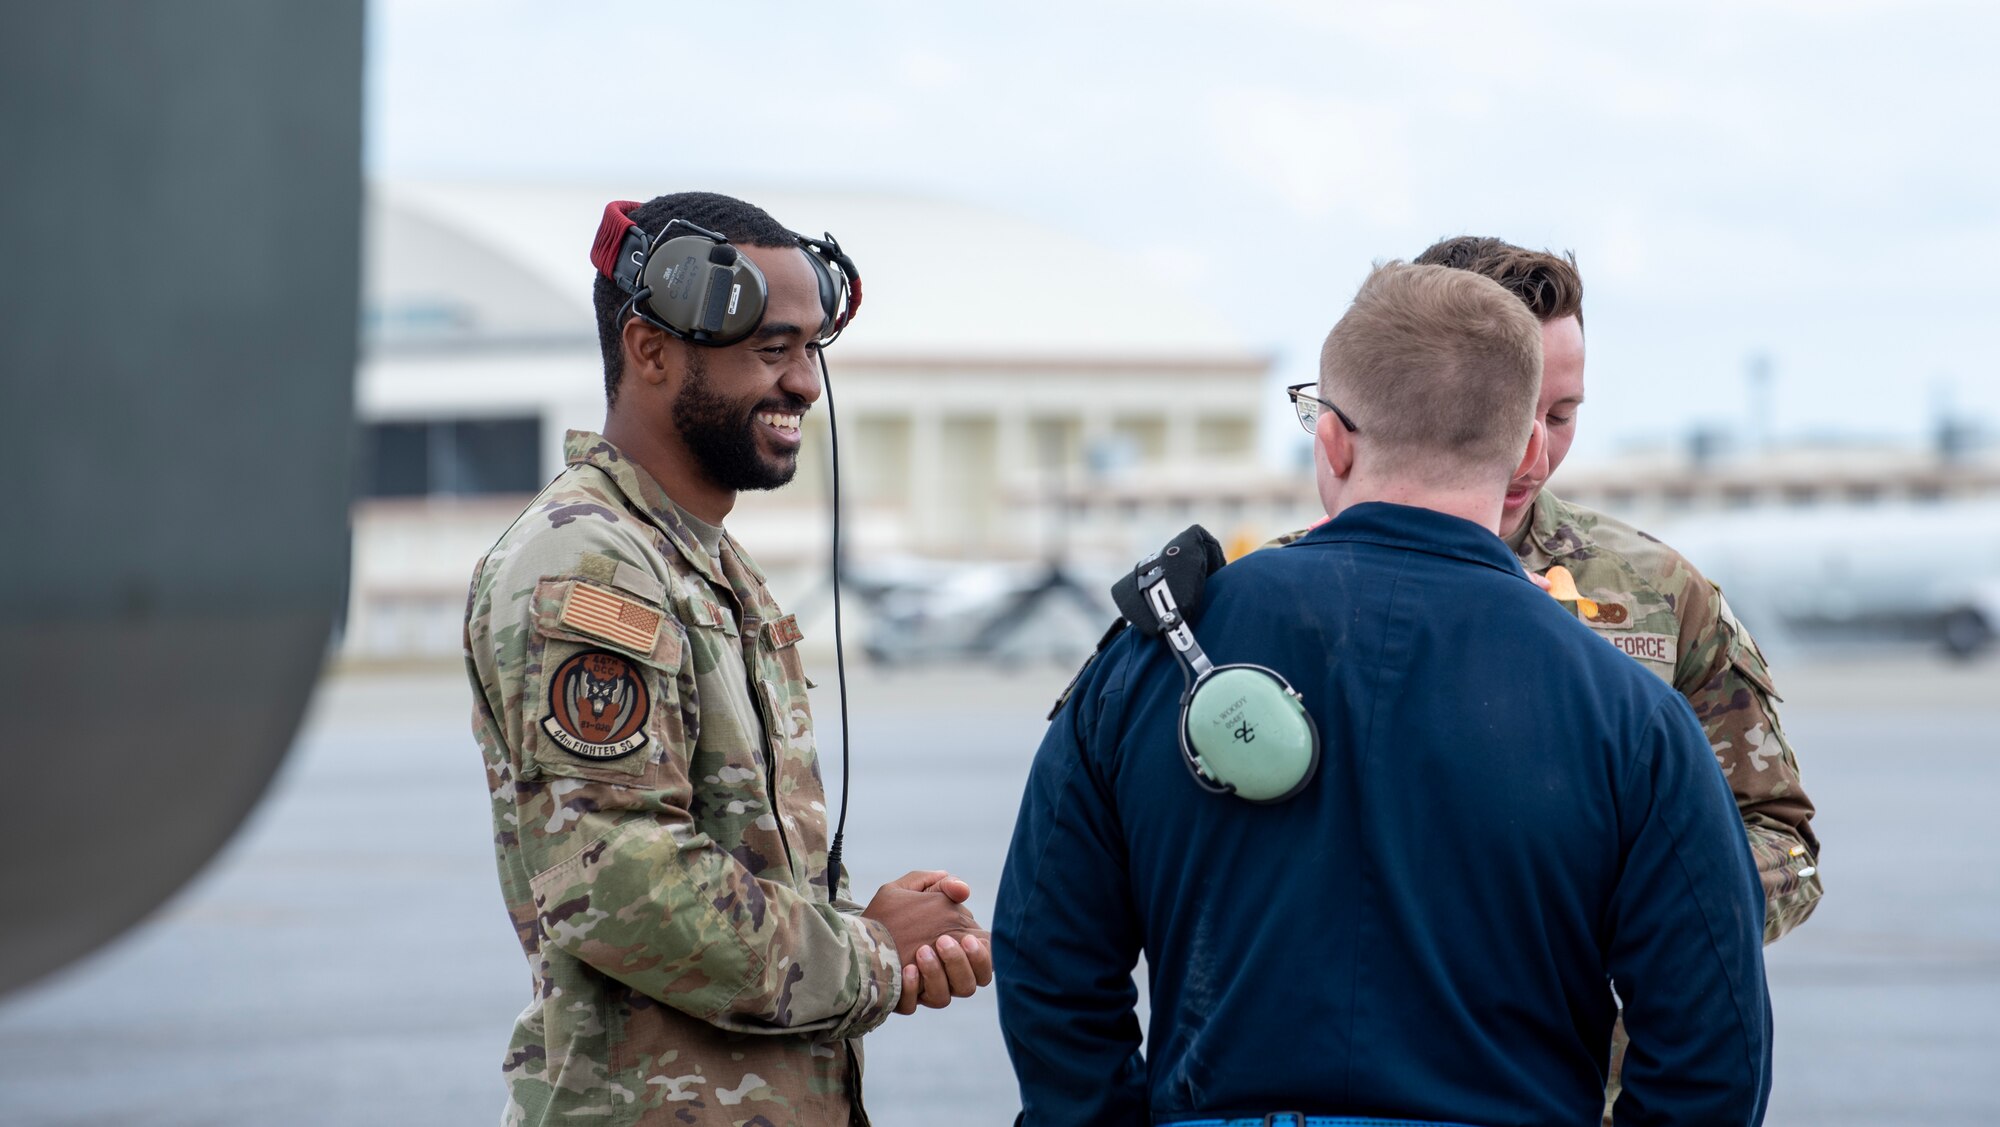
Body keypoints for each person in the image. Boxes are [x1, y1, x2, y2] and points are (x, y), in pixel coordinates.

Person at [994, 263, 1772, 1126]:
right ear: (1525, 451)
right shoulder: (1633, 716)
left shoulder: (1154, 662)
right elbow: (1714, 1047)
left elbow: (1044, 954)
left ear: (1331, 439)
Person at [465, 191, 991, 1126]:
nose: (804, 384)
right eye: (770, 349)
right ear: (652, 348)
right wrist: (870, 949)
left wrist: (877, 928)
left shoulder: (711, 565)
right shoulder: (588, 561)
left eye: (811, 349)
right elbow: (620, 880)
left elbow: (731, 860)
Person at [1272, 238, 1818, 1122]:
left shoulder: (1656, 594)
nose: (1533, 452)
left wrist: (1641, 911)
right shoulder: (1285, 603)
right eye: (1519, 409)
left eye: (1562, 414)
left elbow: (1783, 837)